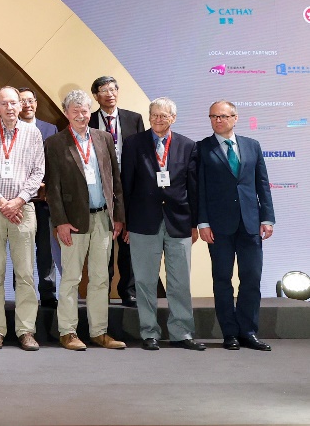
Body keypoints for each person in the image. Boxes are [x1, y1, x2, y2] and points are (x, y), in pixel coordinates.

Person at [45, 90, 126, 351]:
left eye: (85, 110)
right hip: (73, 221)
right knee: (70, 278)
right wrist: (60, 222)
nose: (81, 115)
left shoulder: (103, 138)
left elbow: (115, 180)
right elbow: (53, 189)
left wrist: (118, 217)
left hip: (103, 218)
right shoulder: (56, 143)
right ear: (67, 113)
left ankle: (99, 331)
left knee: (101, 278)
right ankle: (68, 331)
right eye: (75, 111)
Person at [121, 97, 204, 351]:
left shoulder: (188, 146)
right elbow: (126, 185)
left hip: (179, 222)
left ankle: (182, 332)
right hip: (142, 222)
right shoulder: (134, 143)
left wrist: (195, 224)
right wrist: (125, 223)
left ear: (173, 118)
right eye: (154, 114)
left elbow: (194, 187)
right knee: (145, 281)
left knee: (180, 281)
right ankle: (149, 332)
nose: (158, 119)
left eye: (163, 115)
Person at [197, 100, 275, 351]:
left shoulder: (252, 145)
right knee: (222, 279)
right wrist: (203, 222)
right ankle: (229, 333)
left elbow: (262, 183)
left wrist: (267, 218)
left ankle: (248, 332)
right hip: (218, 226)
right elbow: (199, 190)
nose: (217, 120)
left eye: (222, 116)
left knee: (251, 278)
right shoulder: (201, 148)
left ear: (235, 117)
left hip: (250, 223)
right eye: (213, 117)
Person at [0, 86, 45, 351]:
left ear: (21, 105)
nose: (10, 107)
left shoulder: (33, 133)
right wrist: (2, 202)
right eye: (4, 103)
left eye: (14, 103)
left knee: (25, 273)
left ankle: (26, 330)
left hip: (23, 211)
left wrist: (18, 200)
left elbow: (38, 173)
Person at [89, 76, 145, 307]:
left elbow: (143, 155)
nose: (110, 94)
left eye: (114, 89)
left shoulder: (134, 119)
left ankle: (128, 290)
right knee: (103, 241)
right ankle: (103, 288)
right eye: (104, 90)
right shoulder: (89, 120)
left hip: (129, 186)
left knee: (128, 240)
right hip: (100, 187)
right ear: (95, 96)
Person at [18, 87, 60, 307]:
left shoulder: (49, 128)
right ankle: (23, 294)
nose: (27, 105)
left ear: (36, 103)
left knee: (46, 248)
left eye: (30, 100)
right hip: (18, 200)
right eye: (22, 101)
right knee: (21, 249)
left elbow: (54, 162)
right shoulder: (9, 129)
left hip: (43, 201)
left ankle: (48, 292)